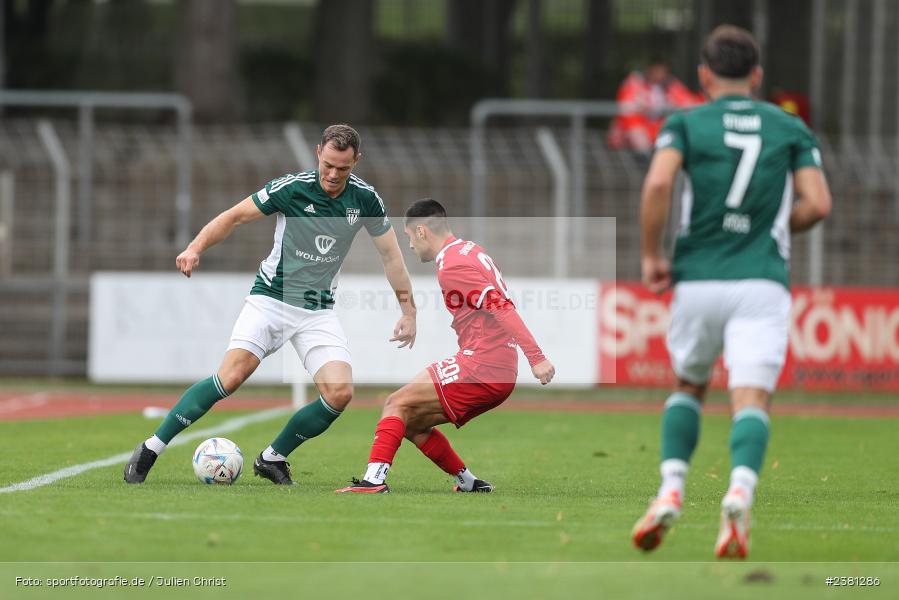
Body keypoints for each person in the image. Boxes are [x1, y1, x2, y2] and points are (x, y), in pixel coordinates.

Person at [631, 26, 832, 558]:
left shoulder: (685, 123)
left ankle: (671, 489)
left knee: (689, 385)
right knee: (751, 398)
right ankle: (739, 492)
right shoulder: (789, 127)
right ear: (757, 76)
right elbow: (819, 203)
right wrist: (776, 226)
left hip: (698, 277)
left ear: (703, 75)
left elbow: (657, 184)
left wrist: (654, 256)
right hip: (761, 280)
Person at [124, 124, 417, 485]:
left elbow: (391, 256)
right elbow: (233, 216)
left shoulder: (366, 200)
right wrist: (195, 247)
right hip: (270, 301)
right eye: (327, 164)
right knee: (230, 378)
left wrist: (408, 311)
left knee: (340, 393)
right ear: (317, 154)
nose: (333, 174)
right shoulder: (291, 189)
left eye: (343, 167)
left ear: (357, 161)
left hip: (317, 310)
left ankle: (272, 458)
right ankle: (152, 447)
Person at [335, 199, 555, 494]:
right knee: (409, 419)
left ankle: (373, 480)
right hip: (493, 363)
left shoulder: (453, 264)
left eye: (410, 236)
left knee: (395, 403)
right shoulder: (470, 250)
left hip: (484, 365)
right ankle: (468, 482)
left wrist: (537, 358)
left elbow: (501, 306)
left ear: (422, 231)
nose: (410, 245)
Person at [607, 59, 704, 152]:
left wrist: (669, 106)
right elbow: (628, 106)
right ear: (649, 69)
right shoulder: (635, 81)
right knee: (637, 132)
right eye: (656, 70)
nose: (659, 74)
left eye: (662, 71)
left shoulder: (670, 84)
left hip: (659, 129)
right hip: (635, 128)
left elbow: (689, 103)